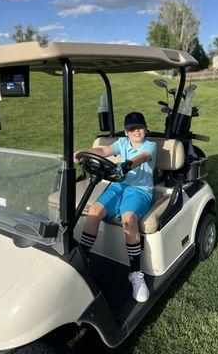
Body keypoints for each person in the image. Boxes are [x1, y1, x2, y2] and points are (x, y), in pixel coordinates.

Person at [74, 112, 156, 302]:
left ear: (145, 129)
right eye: (131, 129)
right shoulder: (122, 143)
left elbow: (143, 157)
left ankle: (135, 272)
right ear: (126, 132)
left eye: (139, 128)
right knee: (94, 211)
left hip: (140, 190)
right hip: (119, 185)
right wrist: (80, 153)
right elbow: (103, 152)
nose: (136, 131)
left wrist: (128, 164)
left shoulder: (149, 145)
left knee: (129, 219)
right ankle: (83, 259)